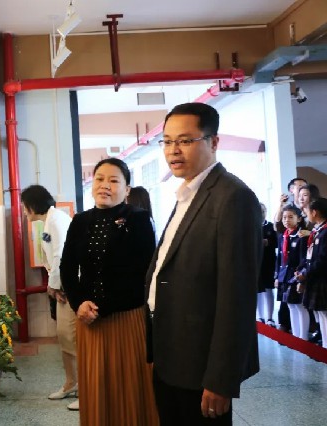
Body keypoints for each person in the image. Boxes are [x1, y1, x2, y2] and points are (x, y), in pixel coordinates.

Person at [146, 102, 261, 425]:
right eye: (168, 141)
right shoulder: (187, 194)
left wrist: (221, 378)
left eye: (185, 140)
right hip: (172, 353)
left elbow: (237, 297)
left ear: (213, 142)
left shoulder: (232, 197)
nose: (174, 150)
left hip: (202, 364)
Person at [61, 158, 158, 425]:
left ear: (126, 189)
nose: (105, 185)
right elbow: (67, 268)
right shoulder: (80, 221)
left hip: (126, 318)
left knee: (129, 389)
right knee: (97, 388)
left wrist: (101, 307)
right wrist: (79, 303)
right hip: (88, 320)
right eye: (99, 179)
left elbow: (143, 273)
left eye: (114, 180)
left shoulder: (138, 219)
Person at [21, 185, 77, 410]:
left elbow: (60, 255)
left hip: (69, 288)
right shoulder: (50, 221)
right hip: (62, 286)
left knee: (71, 337)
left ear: (33, 205)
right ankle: (71, 383)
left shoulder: (56, 220)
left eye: (25, 206)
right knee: (64, 337)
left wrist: (53, 286)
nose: (24, 211)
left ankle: (85, 389)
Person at [275, 206, 309, 339]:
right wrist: (277, 276)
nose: (286, 220)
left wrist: (300, 278)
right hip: (284, 275)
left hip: (296, 275)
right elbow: (279, 259)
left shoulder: (302, 235)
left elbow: (303, 259)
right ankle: (295, 336)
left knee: (300, 306)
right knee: (290, 306)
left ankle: (303, 338)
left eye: (290, 217)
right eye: (284, 217)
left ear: (299, 219)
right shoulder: (283, 236)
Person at [299, 198, 327, 348]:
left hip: (322, 278)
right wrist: (302, 269)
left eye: (308, 211)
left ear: (315, 212)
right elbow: (310, 255)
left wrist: (307, 273)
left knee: (325, 316)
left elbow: (323, 259)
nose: (306, 214)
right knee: (321, 315)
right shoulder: (318, 230)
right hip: (315, 277)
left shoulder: (325, 232)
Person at [258, 203, 277, 327]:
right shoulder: (250, 226)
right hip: (256, 262)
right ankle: (260, 317)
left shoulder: (270, 226)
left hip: (269, 262)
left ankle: (270, 317)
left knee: (269, 289)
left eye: (263, 211)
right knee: (258, 291)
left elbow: (277, 242)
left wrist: (267, 242)